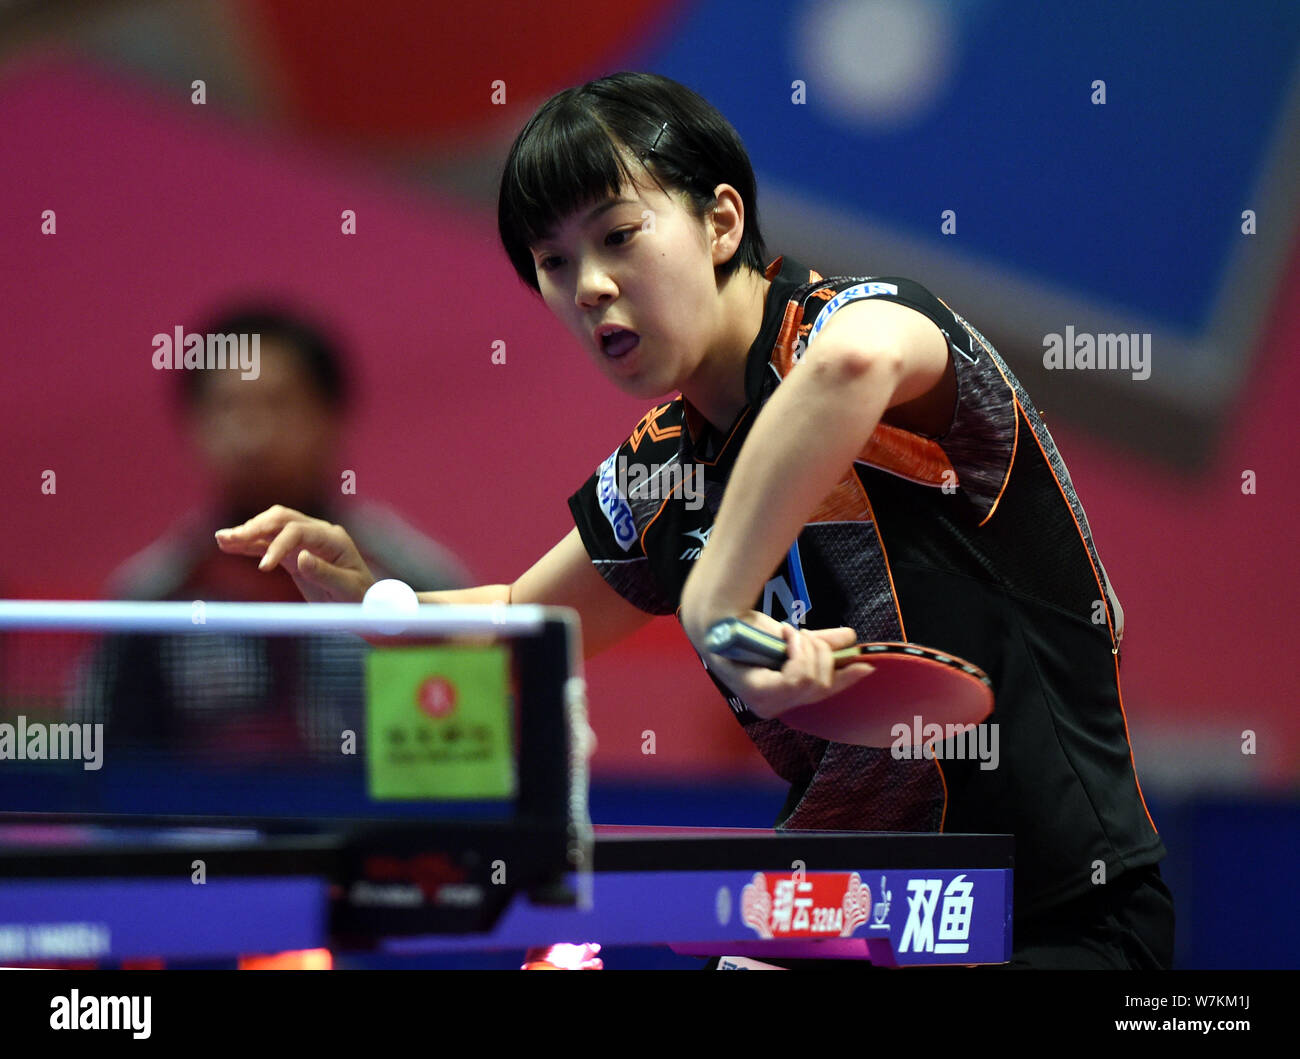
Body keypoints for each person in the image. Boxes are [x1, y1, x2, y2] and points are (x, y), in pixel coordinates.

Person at [215, 73, 1173, 968]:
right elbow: (526, 622)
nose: (587, 285)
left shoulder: (866, 329)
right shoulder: (664, 466)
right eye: (555, 261)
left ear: (721, 222)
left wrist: (714, 599)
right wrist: (368, 595)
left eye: (618, 235)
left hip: (1051, 916)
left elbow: (847, 370)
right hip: (845, 912)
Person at [80, 306, 469, 763]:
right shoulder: (149, 599)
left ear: (330, 416)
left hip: (376, 833)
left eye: (278, 404)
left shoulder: (414, 580)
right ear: (194, 425)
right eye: (228, 407)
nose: (252, 436)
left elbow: (465, 750)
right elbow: (110, 770)